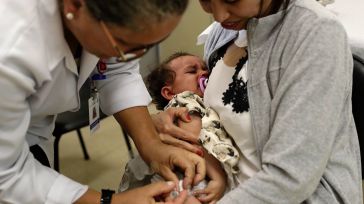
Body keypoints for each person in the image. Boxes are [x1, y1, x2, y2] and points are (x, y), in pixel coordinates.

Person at [152, 0, 362, 203]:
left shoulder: (315, 33)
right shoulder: (224, 31)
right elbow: (210, 112)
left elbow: (291, 177)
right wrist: (167, 118)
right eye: (206, 0)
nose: (218, 15)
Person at [0, 0, 207, 203]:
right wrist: (109, 201)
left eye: (149, 45)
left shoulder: (103, 22)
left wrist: (152, 146)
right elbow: (6, 174)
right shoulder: (10, 49)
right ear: (74, 5)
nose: (134, 56)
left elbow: (117, 68)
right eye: (125, 45)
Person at [119, 52, 241, 203]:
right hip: (190, 176)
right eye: (192, 71)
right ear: (169, 92)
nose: (203, 73)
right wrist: (218, 178)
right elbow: (197, 141)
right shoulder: (185, 101)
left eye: (205, 69)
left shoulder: (203, 104)